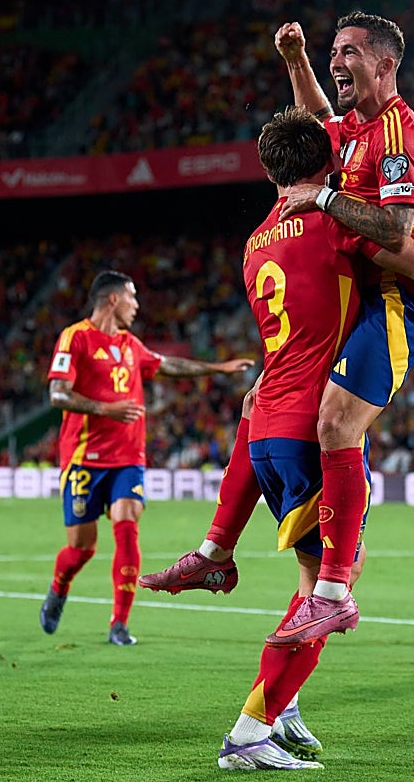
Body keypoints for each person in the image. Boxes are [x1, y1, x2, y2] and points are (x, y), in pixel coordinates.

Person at [140, 13, 414, 649]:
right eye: (336, 51)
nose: (339, 60)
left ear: (386, 64)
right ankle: (215, 550)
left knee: (334, 423)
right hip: (361, 286)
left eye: (350, 52)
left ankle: (333, 591)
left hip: (396, 296)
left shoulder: (396, 135)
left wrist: (327, 202)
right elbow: (314, 133)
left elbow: (398, 237)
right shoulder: (353, 127)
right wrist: (297, 60)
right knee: (259, 406)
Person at [212, 106, 414, 770]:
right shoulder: (332, 223)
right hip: (309, 429)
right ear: (329, 167)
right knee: (332, 582)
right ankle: (249, 731)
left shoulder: (260, 235)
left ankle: (279, 709)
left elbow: (319, 121)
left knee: (311, 577)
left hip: (271, 423)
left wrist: (293, 60)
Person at [40, 271, 254, 646]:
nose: (137, 306)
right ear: (111, 300)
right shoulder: (75, 338)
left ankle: (119, 624)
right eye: (132, 298)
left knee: (127, 524)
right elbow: (58, 394)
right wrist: (107, 409)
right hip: (83, 459)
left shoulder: (129, 344)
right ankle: (59, 588)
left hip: (127, 459)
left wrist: (216, 368)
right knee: (81, 548)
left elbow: (169, 365)